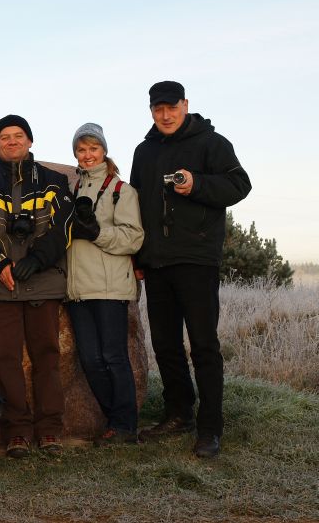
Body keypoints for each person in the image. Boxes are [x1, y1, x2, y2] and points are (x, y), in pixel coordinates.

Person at [130, 81, 251, 458]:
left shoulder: (211, 143)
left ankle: (211, 428)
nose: (165, 115)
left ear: (185, 104)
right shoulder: (144, 150)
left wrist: (197, 183)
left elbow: (239, 184)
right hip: (157, 262)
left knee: (203, 345)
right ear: (151, 110)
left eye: (172, 107)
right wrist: (138, 257)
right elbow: (135, 205)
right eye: (158, 109)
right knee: (165, 344)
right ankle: (179, 413)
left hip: (197, 258)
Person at [0, 115, 74, 458]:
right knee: (5, 359)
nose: (11, 141)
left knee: (47, 357)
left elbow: (64, 225)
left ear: (30, 141)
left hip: (42, 283)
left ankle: (50, 428)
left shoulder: (54, 182)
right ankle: (18, 431)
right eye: (4, 137)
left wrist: (37, 259)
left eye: (18, 135)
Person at [66, 123, 144, 446]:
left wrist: (98, 232)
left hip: (110, 287)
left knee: (113, 357)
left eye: (93, 149)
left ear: (104, 151)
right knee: (90, 359)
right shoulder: (70, 190)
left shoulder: (120, 190)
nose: (87, 155)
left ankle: (123, 425)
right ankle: (118, 421)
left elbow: (134, 238)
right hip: (77, 289)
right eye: (82, 150)